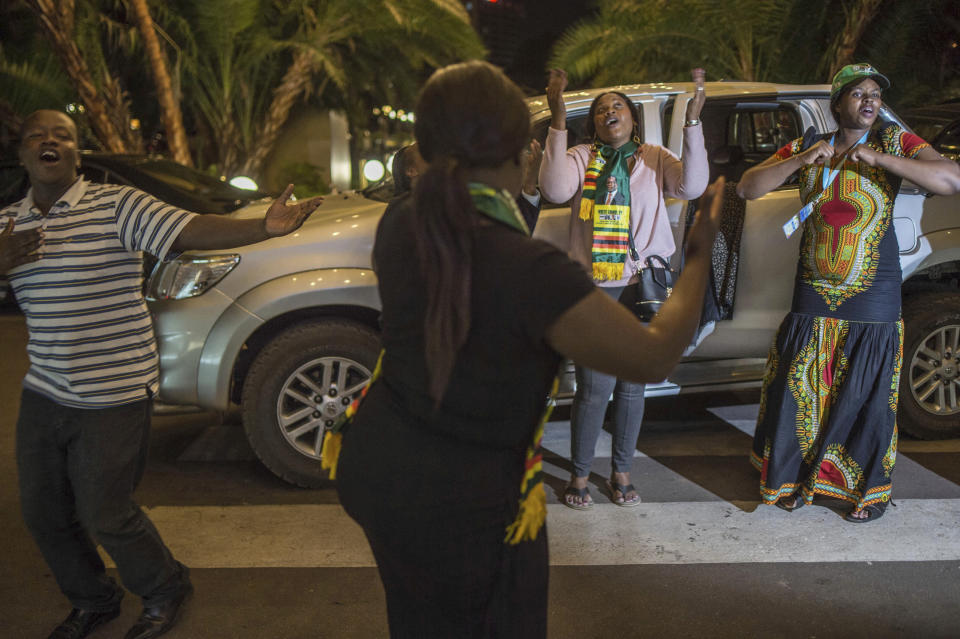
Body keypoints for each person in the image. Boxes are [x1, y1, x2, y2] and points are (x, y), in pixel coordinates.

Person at [334, 59, 725, 638]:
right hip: (468, 498)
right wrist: (699, 253)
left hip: (380, 465)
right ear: (523, 154)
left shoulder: (403, 221)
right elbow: (652, 357)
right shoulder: (533, 273)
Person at [0, 109, 323, 639]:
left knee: (106, 513)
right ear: (23, 155)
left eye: (63, 135)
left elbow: (187, 229)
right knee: (43, 513)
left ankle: (165, 587)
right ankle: (93, 599)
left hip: (115, 389)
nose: (49, 141)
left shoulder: (116, 206)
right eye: (37, 135)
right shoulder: (9, 222)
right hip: (45, 391)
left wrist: (262, 227)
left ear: (79, 153)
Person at [737, 63, 960, 522]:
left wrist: (882, 162)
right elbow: (747, 187)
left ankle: (862, 490)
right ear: (837, 103)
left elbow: (951, 178)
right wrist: (801, 161)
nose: (869, 101)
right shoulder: (807, 146)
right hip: (814, 289)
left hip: (873, 289)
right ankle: (794, 481)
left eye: (875, 94)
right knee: (800, 387)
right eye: (858, 94)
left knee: (867, 391)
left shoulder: (895, 142)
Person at [538, 68, 709, 509]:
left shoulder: (655, 157)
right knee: (594, 388)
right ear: (593, 124)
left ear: (632, 118)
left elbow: (692, 185)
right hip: (595, 289)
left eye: (616, 107)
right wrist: (558, 118)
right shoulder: (581, 156)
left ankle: (621, 471)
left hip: (642, 287)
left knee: (633, 388)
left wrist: (693, 122)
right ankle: (578, 474)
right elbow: (554, 189)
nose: (608, 113)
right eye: (599, 110)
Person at [393, 139, 545, 230]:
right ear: (411, 171)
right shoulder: (410, 215)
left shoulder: (453, 198)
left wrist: (529, 185)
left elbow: (508, 239)